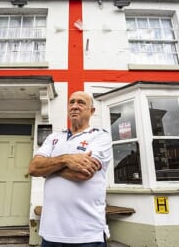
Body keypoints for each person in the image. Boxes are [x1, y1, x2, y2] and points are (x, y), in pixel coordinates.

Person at [29, 91, 112, 246]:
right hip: (50, 234)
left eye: (81, 102)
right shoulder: (53, 137)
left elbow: (83, 174)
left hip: (87, 235)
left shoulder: (100, 136)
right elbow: (33, 168)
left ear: (91, 111)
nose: (74, 106)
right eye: (71, 102)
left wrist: (48, 170)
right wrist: (66, 159)